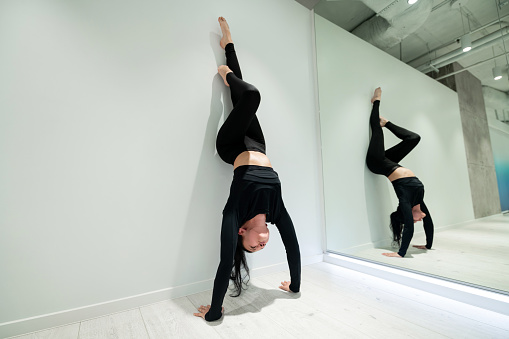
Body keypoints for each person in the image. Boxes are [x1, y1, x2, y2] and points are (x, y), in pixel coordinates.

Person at [193, 17, 301, 321]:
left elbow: (226, 260)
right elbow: (293, 247)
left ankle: (227, 70)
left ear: (242, 232)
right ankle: (229, 46)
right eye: (261, 248)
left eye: (252, 247)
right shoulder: (276, 213)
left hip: (232, 147)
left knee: (250, 96)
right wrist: (294, 285)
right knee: (242, 98)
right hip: (258, 145)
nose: (261, 245)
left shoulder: (234, 213)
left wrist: (214, 312)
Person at [366, 87, 434, 258]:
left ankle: (376, 102)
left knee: (376, 132)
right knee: (414, 139)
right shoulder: (418, 201)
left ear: (408, 213)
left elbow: (409, 226)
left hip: (377, 163)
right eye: (418, 220)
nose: (419, 220)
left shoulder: (406, 200)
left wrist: (401, 253)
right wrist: (428, 245)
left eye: (415, 219)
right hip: (390, 163)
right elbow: (429, 223)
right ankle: (387, 122)